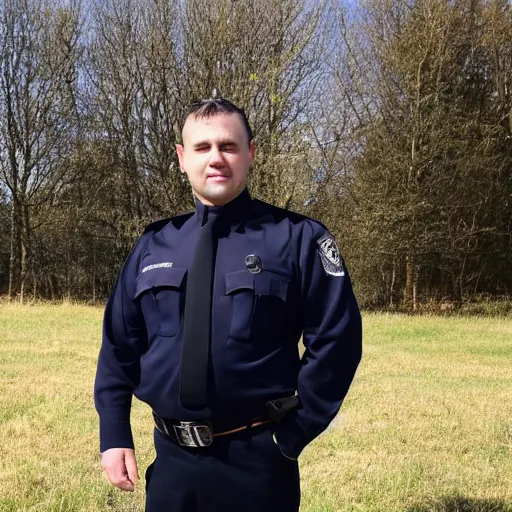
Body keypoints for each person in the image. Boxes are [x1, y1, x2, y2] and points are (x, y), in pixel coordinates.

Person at [94, 98, 362, 512]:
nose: (215, 158)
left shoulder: (297, 239)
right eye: (201, 148)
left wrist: (292, 435)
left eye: (228, 146)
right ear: (182, 159)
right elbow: (118, 347)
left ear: (251, 153)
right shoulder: (153, 245)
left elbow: (337, 342)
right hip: (171, 463)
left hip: (257, 461)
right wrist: (114, 434)